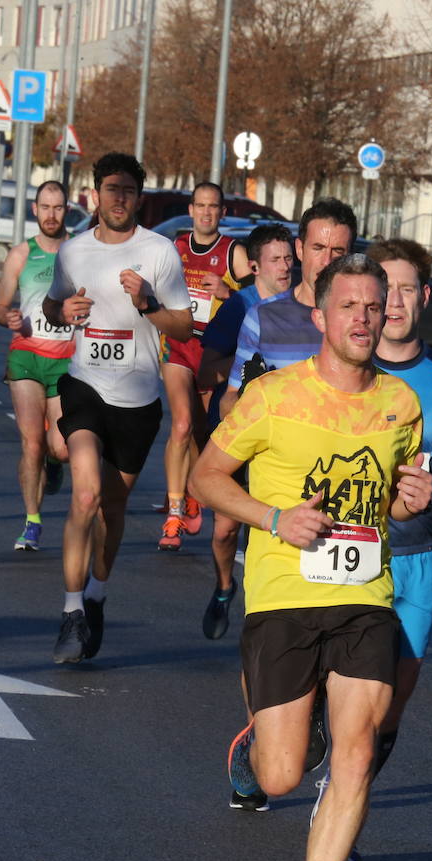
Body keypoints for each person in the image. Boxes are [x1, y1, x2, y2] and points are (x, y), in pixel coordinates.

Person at [189, 253, 432, 861]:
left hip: (364, 600)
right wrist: (274, 517)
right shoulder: (273, 397)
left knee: (356, 757)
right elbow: (204, 479)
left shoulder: (399, 403)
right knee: (282, 774)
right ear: (321, 315)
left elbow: (389, 505)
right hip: (285, 598)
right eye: (348, 305)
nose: (362, 317)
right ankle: (258, 739)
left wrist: (412, 498)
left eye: (373, 306)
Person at [305, 238, 432, 861]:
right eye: (388, 291)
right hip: (347, 555)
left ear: (423, 298)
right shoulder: (342, 372)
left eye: (409, 289)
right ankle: (290, 741)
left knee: (387, 707)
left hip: (415, 560)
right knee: (327, 698)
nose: (397, 303)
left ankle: (343, 802)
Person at [40, 152, 192, 663]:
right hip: (84, 386)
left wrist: (148, 303)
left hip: (138, 400)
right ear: (96, 194)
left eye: (127, 189)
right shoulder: (75, 252)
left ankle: (97, 593)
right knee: (84, 495)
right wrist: (61, 310)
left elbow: (183, 328)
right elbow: (50, 303)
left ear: (138, 197)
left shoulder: (159, 253)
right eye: (110, 188)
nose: (119, 198)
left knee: (111, 507)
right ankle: (70, 611)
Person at [194, 222, 295, 638]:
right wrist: (250, 374)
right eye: (276, 259)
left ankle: (266, 613)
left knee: (271, 531)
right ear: (255, 266)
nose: (286, 266)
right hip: (238, 423)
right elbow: (207, 370)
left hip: (281, 436)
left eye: (290, 257)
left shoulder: (307, 308)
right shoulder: (239, 307)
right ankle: (223, 586)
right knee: (224, 531)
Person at [157, 182, 250, 550]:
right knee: (180, 425)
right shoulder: (175, 248)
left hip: (213, 352)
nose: (207, 212)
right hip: (179, 347)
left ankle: (194, 488)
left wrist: (229, 294)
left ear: (222, 213)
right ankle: (174, 513)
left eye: (214, 207)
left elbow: (260, 296)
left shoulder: (232, 252)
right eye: (201, 206)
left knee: (201, 432)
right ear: (191, 209)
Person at [0, 180, 73, 551]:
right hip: (25, 355)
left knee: (61, 449)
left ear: (66, 209)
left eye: (57, 208)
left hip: (66, 361)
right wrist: (5, 316)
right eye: (45, 207)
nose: (51, 215)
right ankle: (32, 521)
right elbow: (0, 304)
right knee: (32, 443)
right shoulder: (21, 254)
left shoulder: (79, 253)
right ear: (34, 210)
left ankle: (55, 467)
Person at [219, 198, 357, 417]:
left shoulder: (362, 321)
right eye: (318, 248)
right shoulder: (261, 317)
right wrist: (247, 400)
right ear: (300, 249)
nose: (327, 261)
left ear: (349, 256)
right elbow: (228, 401)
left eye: (338, 251)